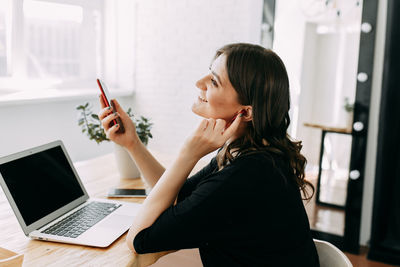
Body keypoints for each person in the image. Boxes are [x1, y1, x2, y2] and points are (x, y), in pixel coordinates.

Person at [98, 43, 320, 267]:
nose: (199, 83)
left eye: (214, 81)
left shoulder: (248, 174)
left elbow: (139, 239)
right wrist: (133, 143)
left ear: (246, 112)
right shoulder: (249, 152)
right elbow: (178, 196)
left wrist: (188, 153)